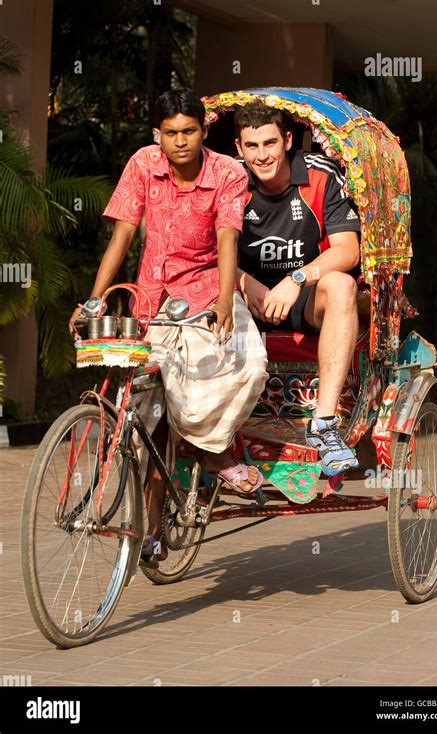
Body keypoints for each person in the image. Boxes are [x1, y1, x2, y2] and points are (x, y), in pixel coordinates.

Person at [69, 90, 268, 567]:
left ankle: (214, 453)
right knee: (150, 413)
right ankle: (153, 531)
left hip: (205, 292)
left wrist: (225, 300)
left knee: (250, 362)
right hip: (152, 297)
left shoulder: (226, 172)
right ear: (158, 134)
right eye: (171, 133)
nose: (180, 142)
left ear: (204, 131)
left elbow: (227, 238)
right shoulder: (143, 163)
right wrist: (96, 299)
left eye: (190, 131)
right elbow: (123, 234)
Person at [234, 100, 361, 476]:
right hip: (244, 296)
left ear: (288, 140)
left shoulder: (322, 175)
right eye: (252, 147)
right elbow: (208, 249)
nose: (262, 155)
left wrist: (296, 279)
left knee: (340, 285)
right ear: (239, 149)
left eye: (270, 143)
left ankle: (324, 425)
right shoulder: (228, 179)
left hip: (304, 295)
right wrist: (247, 285)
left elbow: (348, 251)